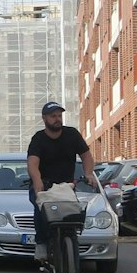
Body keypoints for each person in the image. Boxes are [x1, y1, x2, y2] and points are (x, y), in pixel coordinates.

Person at [26, 101, 96, 260]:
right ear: (44, 118)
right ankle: (41, 243)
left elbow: (86, 155)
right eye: (53, 116)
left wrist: (89, 173)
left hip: (66, 186)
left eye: (59, 115)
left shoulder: (71, 134)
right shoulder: (38, 139)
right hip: (44, 185)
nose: (57, 119)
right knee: (40, 206)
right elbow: (32, 163)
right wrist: (37, 182)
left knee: (72, 222)